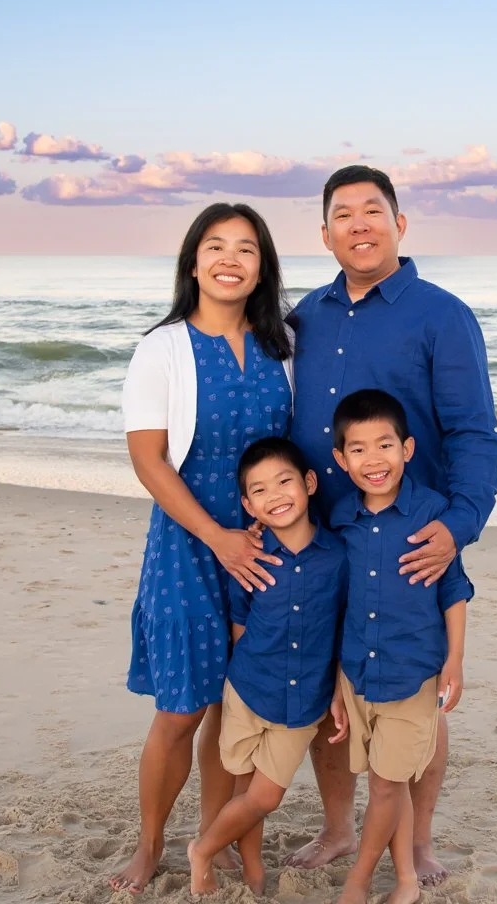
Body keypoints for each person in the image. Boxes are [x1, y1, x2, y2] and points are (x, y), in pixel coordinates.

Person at [284, 165, 497, 885]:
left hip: (412, 540)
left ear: (399, 223)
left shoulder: (442, 313)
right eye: (342, 214)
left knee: (417, 699)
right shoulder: (305, 317)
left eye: (372, 210)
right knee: (329, 693)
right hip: (323, 538)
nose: (358, 224)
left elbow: (474, 432)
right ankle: (340, 829)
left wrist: (460, 525)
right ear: (324, 234)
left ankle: (419, 843)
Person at [111, 203, 294, 894]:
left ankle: (214, 840)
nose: (230, 259)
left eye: (246, 249)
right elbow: (149, 459)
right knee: (183, 707)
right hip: (190, 544)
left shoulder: (284, 349)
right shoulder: (163, 347)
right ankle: (150, 842)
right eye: (215, 246)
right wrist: (216, 536)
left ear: (261, 268)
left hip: (265, 549)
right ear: (193, 262)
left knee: (238, 713)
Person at [326, 389, 472, 904]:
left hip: (413, 673)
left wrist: (455, 658)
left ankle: (359, 882)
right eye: (359, 449)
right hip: (359, 672)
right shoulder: (341, 519)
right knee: (386, 780)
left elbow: (453, 588)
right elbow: (338, 601)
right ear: (341, 461)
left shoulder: (433, 513)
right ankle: (407, 881)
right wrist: (337, 684)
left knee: (386, 786)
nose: (374, 460)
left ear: (407, 449)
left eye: (385, 445)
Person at [187, 436, 347, 896]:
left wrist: (338, 687)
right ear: (248, 504)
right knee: (244, 793)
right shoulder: (250, 557)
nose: (275, 495)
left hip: (303, 703)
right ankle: (252, 866)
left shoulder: (338, 558)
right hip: (248, 691)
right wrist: (236, 679)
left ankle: (203, 848)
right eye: (259, 490)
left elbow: (343, 629)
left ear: (310, 482)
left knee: (265, 797)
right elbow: (240, 624)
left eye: (284, 481)